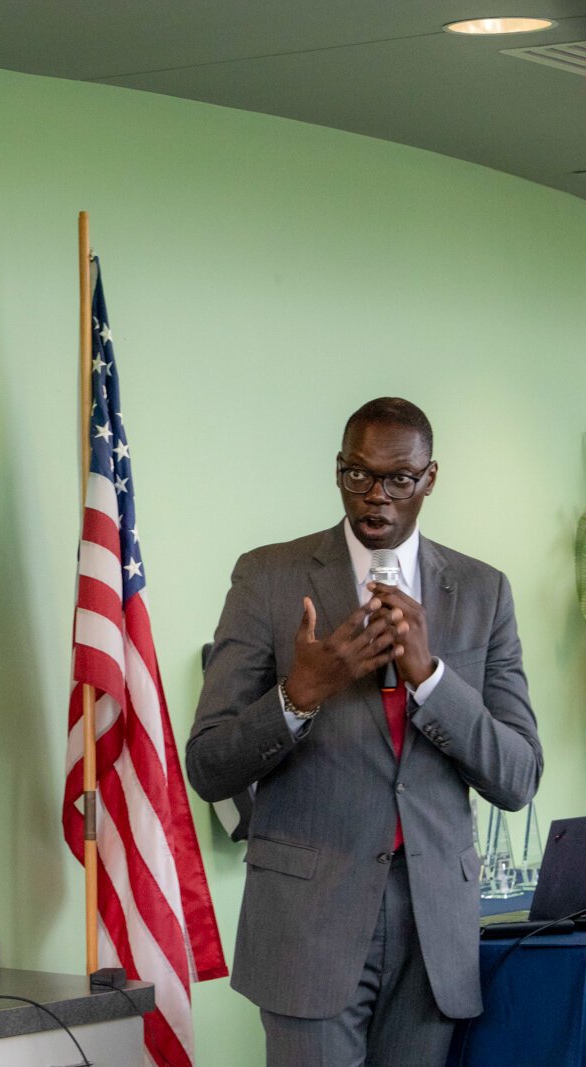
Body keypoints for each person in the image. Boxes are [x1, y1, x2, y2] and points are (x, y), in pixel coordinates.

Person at [187, 397, 542, 1066]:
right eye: (356, 475)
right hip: (306, 925)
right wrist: (301, 691)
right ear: (339, 471)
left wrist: (432, 677)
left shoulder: (482, 590)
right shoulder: (268, 578)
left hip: (435, 931)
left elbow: (518, 776)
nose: (374, 496)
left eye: (397, 479)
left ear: (429, 478)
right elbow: (208, 764)